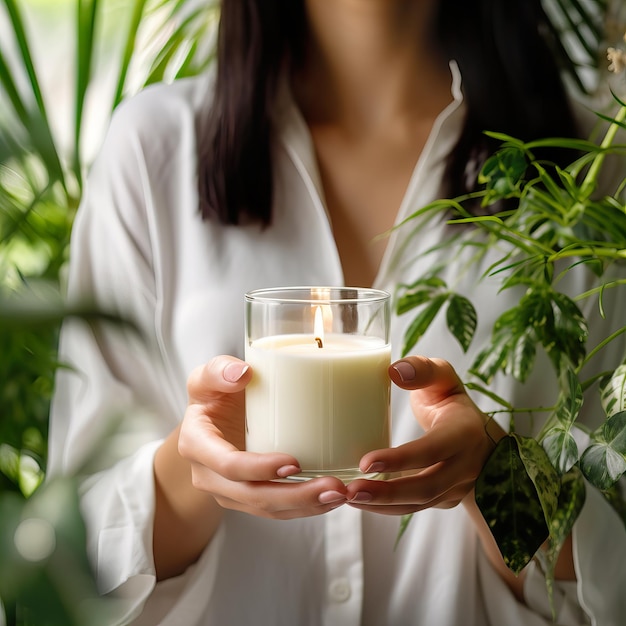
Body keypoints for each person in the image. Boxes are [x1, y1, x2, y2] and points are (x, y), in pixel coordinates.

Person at [48, 0, 626, 624]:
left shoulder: (593, 169)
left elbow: (613, 574)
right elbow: (67, 557)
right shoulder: (155, 152)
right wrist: (196, 472)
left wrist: (495, 480)